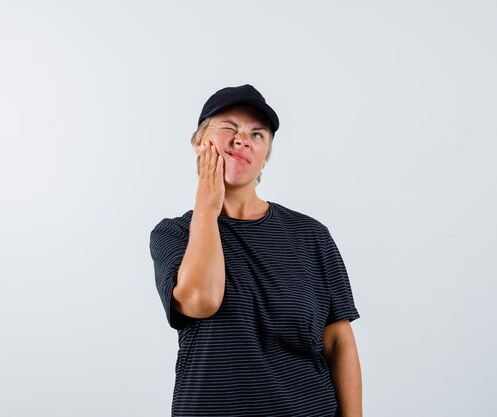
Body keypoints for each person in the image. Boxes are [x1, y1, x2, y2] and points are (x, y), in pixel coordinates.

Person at [149, 84, 362, 417]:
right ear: (198, 143)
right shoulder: (174, 234)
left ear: (266, 155)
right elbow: (201, 301)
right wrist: (207, 207)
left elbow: (338, 340)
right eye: (229, 128)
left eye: (257, 134)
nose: (242, 139)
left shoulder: (311, 235)